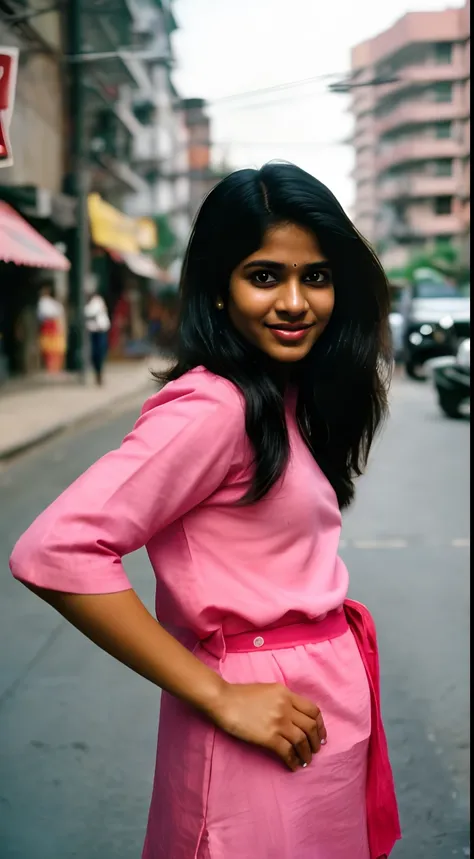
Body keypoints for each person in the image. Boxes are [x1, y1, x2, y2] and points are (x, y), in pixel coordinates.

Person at [10, 163, 401, 859]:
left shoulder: (283, 395)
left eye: (315, 276)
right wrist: (222, 696)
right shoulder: (215, 406)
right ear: (220, 288)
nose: (294, 301)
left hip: (316, 716)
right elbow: (55, 550)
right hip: (257, 717)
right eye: (263, 275)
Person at [37, 282, 66, 373]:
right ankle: (50, 367)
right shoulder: (43, 302)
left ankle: (54, 367)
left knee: (54, 347)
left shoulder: (51, 303)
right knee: (48, 347)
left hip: (52, 326)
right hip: (47, 326)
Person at [84, 289, 110, 385]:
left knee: (100, 352)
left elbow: (93, 313)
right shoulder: (86, 304)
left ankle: (100, 374)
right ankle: (97, 374)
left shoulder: (97, 301)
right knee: (94, 354)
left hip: (101, 331)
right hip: (92, 332)